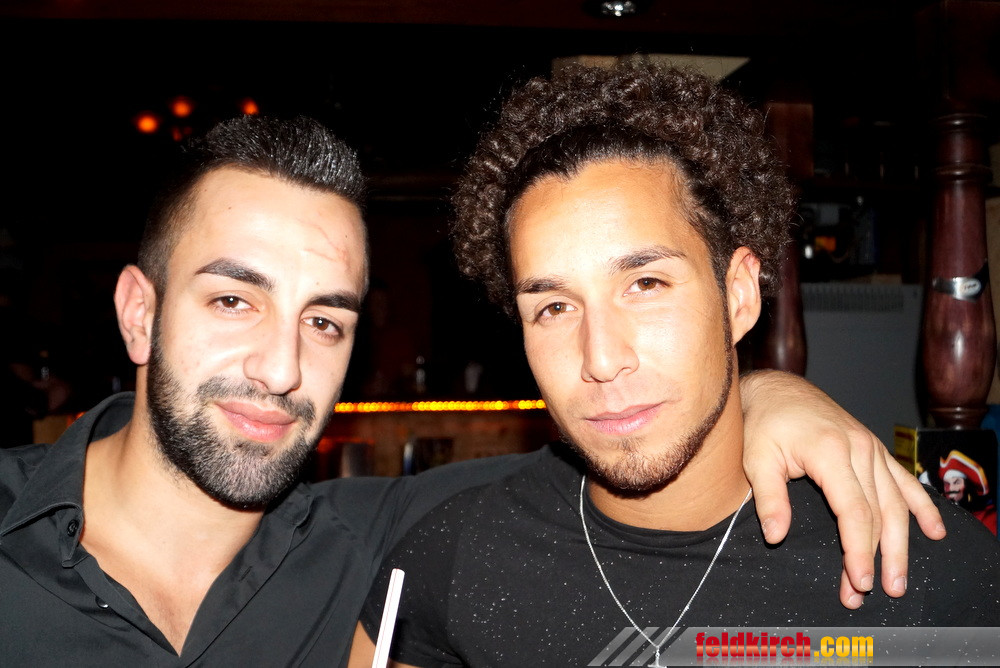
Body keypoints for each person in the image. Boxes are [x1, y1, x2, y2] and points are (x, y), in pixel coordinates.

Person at [0, 113, 942, 668]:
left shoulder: (384, 544)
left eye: (324, 321)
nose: (281, 370)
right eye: (234, 300)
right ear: (139, 314)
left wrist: (766, 390)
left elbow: (630, 447)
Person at [350, 62, 999, 667]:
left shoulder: (932, 576)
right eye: (554, 307)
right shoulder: (452, 561)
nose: (602, 359)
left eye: (646, 284)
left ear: (738, 295)